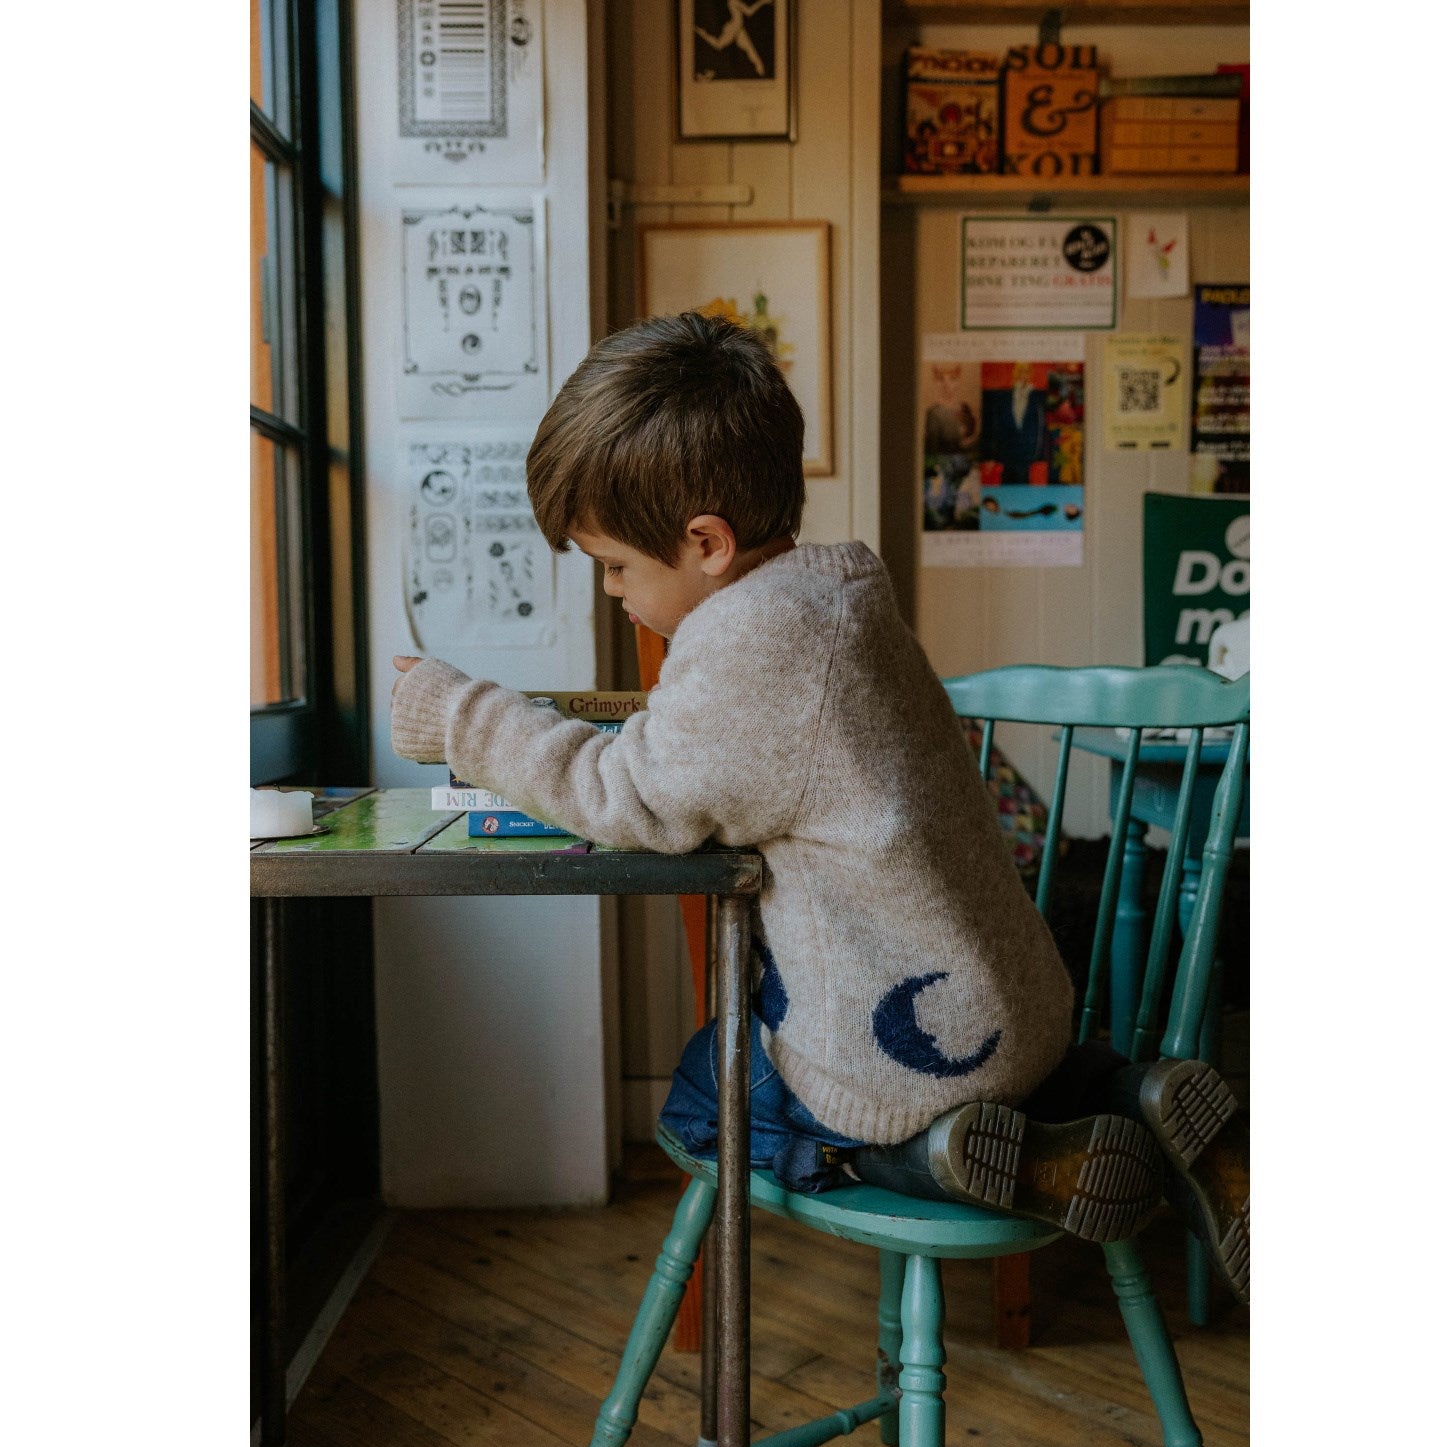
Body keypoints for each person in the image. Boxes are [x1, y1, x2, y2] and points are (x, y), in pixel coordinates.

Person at [389, 313, 1248, 1295]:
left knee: (708, 1100)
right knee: (1030, 1079)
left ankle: (931, 1158)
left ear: (706, 543)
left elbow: (628, 798)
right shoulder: (839, 599)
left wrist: (460, 715)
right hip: (1023, 1015)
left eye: (616, 566)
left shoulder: (754, 643)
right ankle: (1132, 1096)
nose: (615, 592)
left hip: (908, 1058)